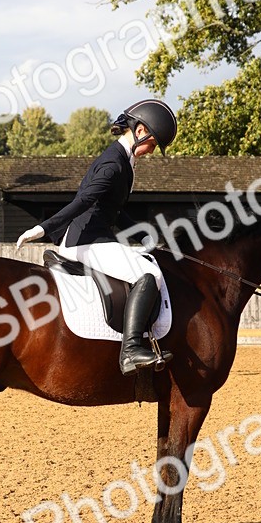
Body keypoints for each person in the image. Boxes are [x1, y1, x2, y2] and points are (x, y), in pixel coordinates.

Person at [15, 99, 177, 375]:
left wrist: (145, 233)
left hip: (96, 236)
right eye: (153, 144)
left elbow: (113, 210)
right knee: (149, 275)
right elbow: (84, 201)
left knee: (148, 261)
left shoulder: (124, 160)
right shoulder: (113, 164)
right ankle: (131, 350)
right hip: (85, 240)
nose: (151, 151)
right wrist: (42, 229)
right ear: (140, 132)